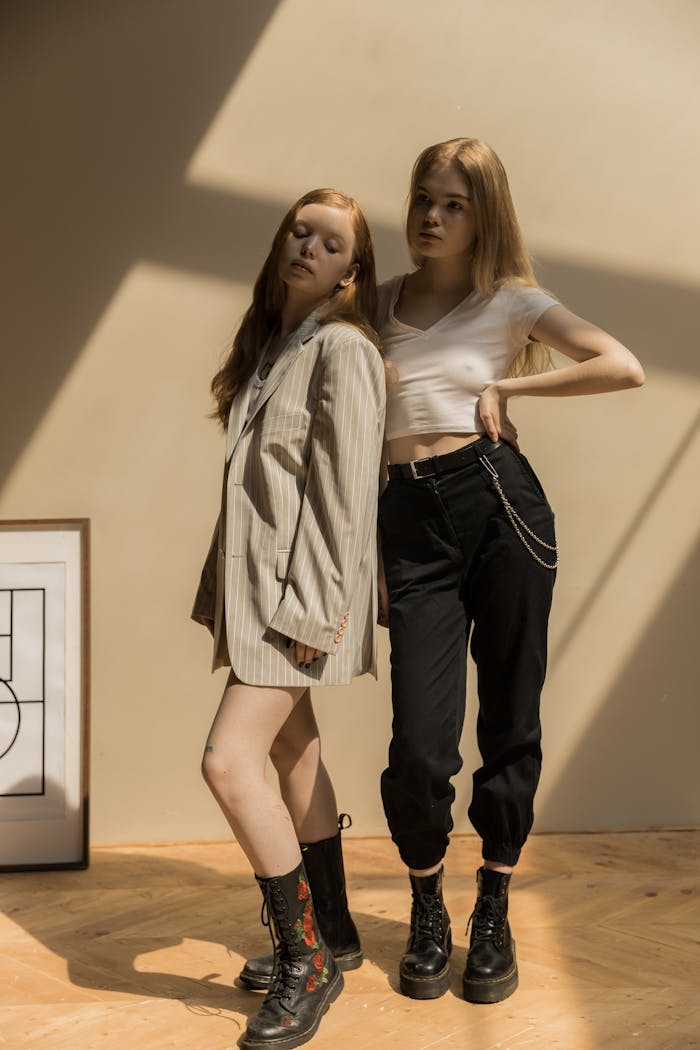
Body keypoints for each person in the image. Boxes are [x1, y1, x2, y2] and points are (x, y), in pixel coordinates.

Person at [375, 138, 644, 1005]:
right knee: (419, 746)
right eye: (424, 198)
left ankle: (491, 901)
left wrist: (508, 392)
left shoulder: (511, 302)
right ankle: (428, 905)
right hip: (407, 520)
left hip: (501, 509)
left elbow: (622, 365)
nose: (431, 217)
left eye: (454, 204)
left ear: (482, 215)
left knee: (510, 720)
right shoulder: (372, 306)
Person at [192, 188, 385, 1049]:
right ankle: (335, 934)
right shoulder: (279, 346)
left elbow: (344, 498)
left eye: (331, 241)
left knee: (227, 763)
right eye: (299, 232)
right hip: (264, 600)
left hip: (297, 602)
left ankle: (305, 961)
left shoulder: (344, 351)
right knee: (288, 748)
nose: (308, 246)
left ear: (353, 273)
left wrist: (313, 608)